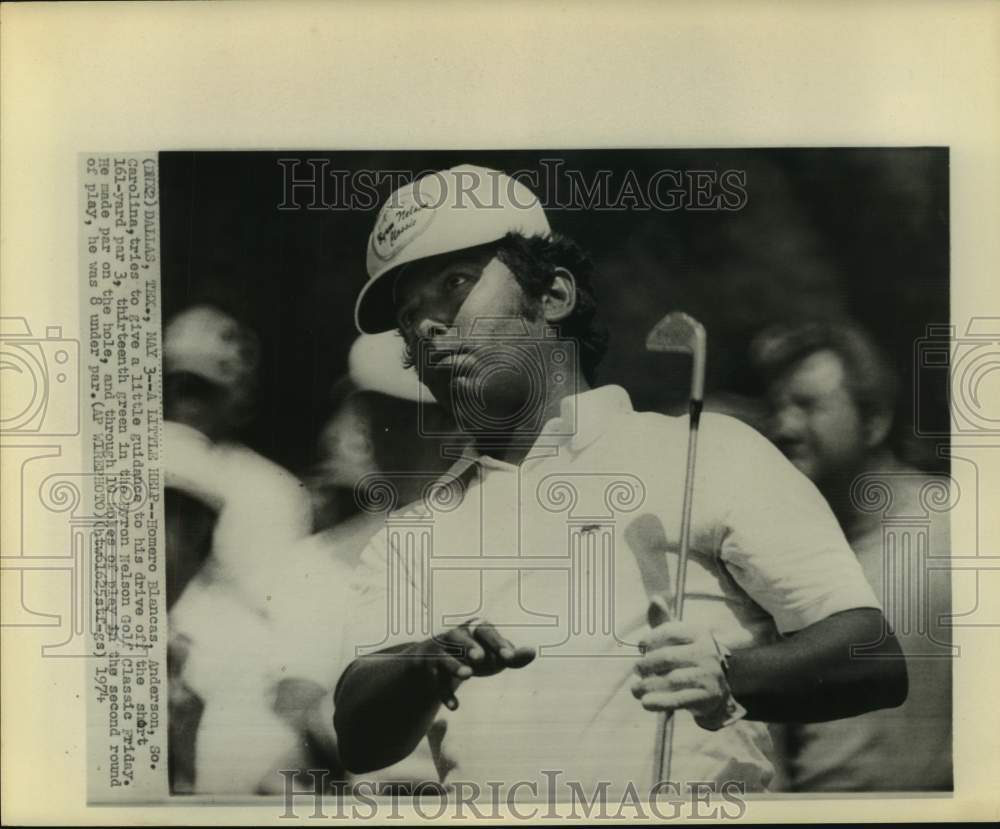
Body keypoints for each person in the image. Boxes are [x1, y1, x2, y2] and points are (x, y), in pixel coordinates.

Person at [332, 165, 907, 798]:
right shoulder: (415, 530)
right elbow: (360, 739)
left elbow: (872, 654)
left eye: (458, 283)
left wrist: (729, 674)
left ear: (553, 295)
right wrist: (426, 659)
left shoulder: (705, 450)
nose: (430, 327)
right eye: (410, 317)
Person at [751, 320, 952, 791]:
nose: (783, 426)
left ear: (875, 419)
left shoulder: (965, 527)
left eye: (807, 405)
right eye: (776, 407)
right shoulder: (774, 560)